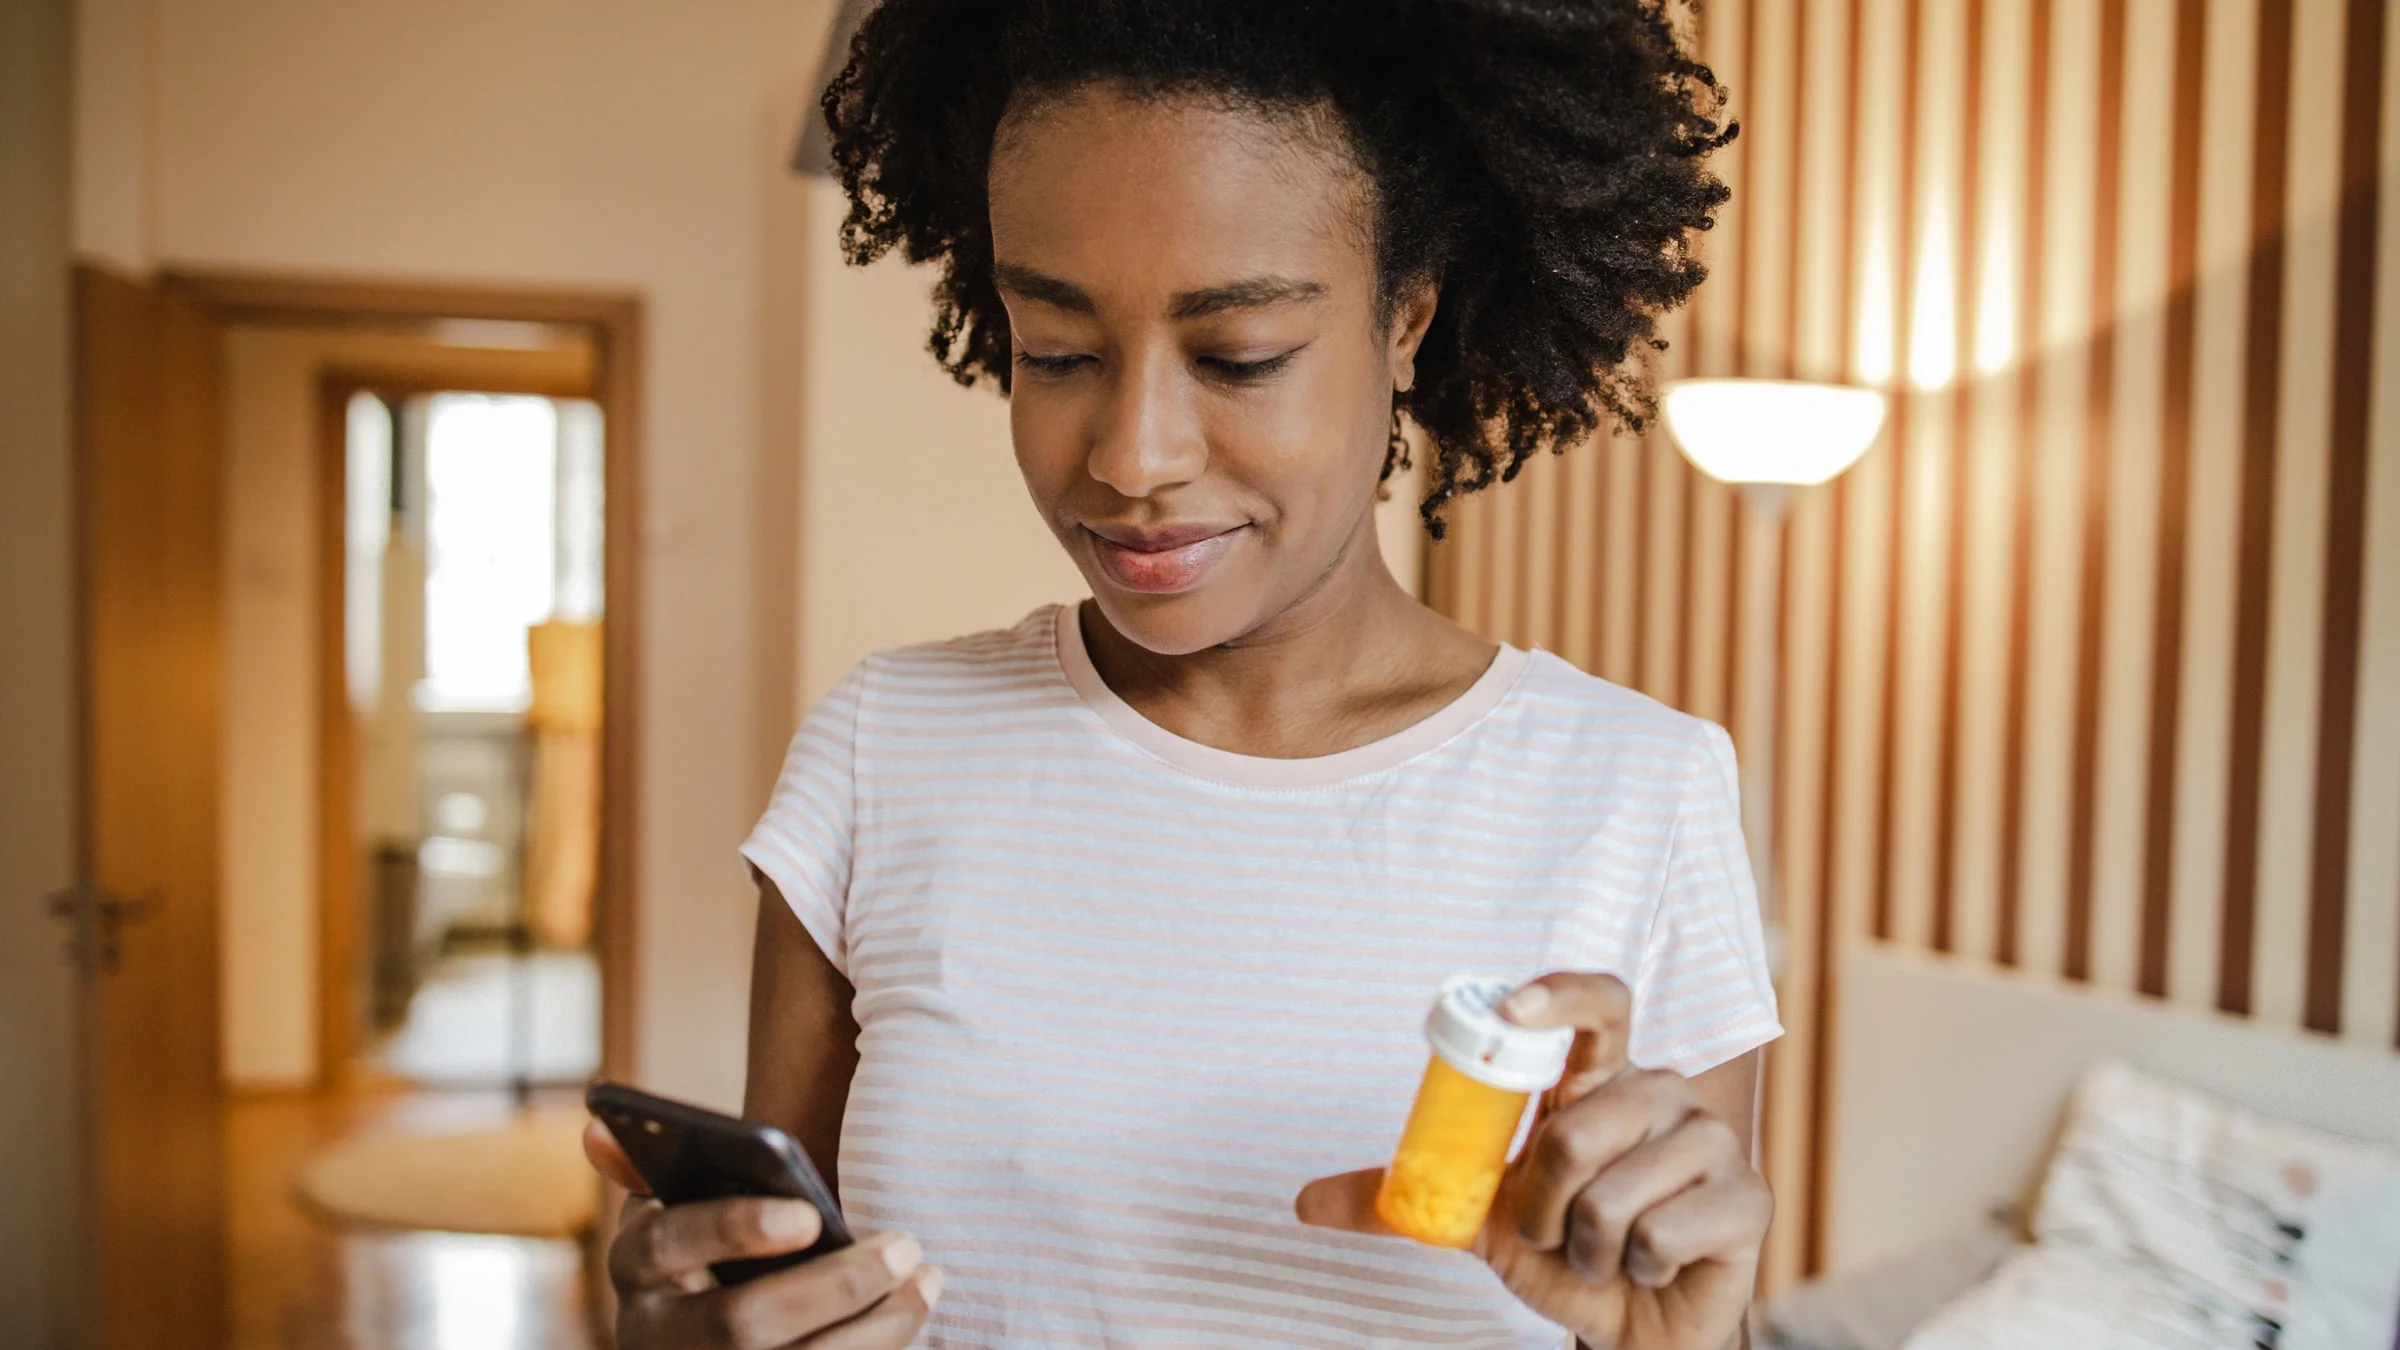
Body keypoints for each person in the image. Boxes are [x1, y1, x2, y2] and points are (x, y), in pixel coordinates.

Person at [586, 1, 1779, 1345]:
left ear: (1409, 318)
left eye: (1238, 356)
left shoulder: (1636, 790)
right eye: (1058, 351)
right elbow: (781, 1286)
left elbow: (1669, 1309)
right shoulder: (888, 745)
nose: (1132, 455)